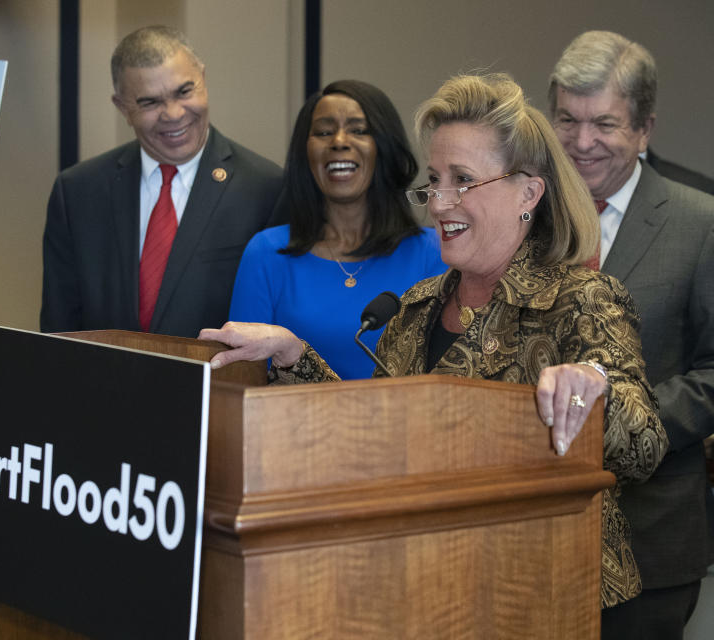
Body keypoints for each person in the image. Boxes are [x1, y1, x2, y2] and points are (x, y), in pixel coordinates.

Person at [200, 73, 668, 611]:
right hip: (432, 592)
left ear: (528, 192)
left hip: (548, 598)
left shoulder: (580, 298)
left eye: (463, 180)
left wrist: (596, 386)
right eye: (434, 180)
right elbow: (374, 437)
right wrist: (293, 354)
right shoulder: (419, 305)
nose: (440, 202)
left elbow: (646, 444)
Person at [549, 30, 714, 638]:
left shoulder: (702, 223)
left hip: (651, 540)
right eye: (567, 119)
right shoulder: (520, 219)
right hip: (533, 534)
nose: (583, 142)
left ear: (645, 128)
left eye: (606, 124)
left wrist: (618, 419)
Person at [40, 25, 283, 338]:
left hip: (219, 384)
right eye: (149, 103)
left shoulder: (265, 187)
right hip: (103, 384)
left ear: (203, 81)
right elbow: (59, 330)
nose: (172, 114)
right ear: (122, 107)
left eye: (184, 92)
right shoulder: (77, 192)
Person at [229, 80, 446, 379]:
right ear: (305, 153)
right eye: (323, 132)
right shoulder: (266, 253)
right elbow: (242, 381)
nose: (339, 141)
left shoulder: (436, 252)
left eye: (358, 130)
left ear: (384, 148)